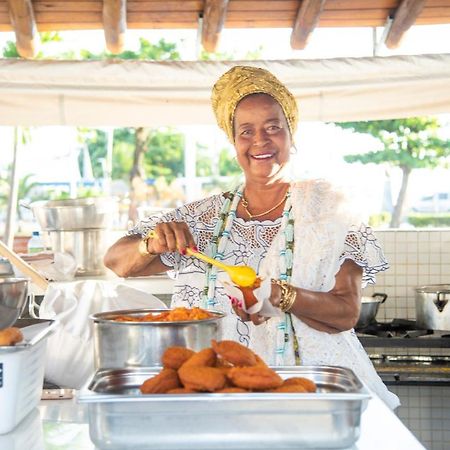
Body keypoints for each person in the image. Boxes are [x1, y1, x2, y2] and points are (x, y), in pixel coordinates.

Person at [104, 65, 399, 409]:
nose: (260, 140)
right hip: (216, 394)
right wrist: (150, 243)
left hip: (315, 390)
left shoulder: (330, 212)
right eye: (246, 131)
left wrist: (279, 295)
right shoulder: (202, 218)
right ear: (234, 142)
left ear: (291, 134)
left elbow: (346, 312)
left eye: (273, 127)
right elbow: (117, 262)